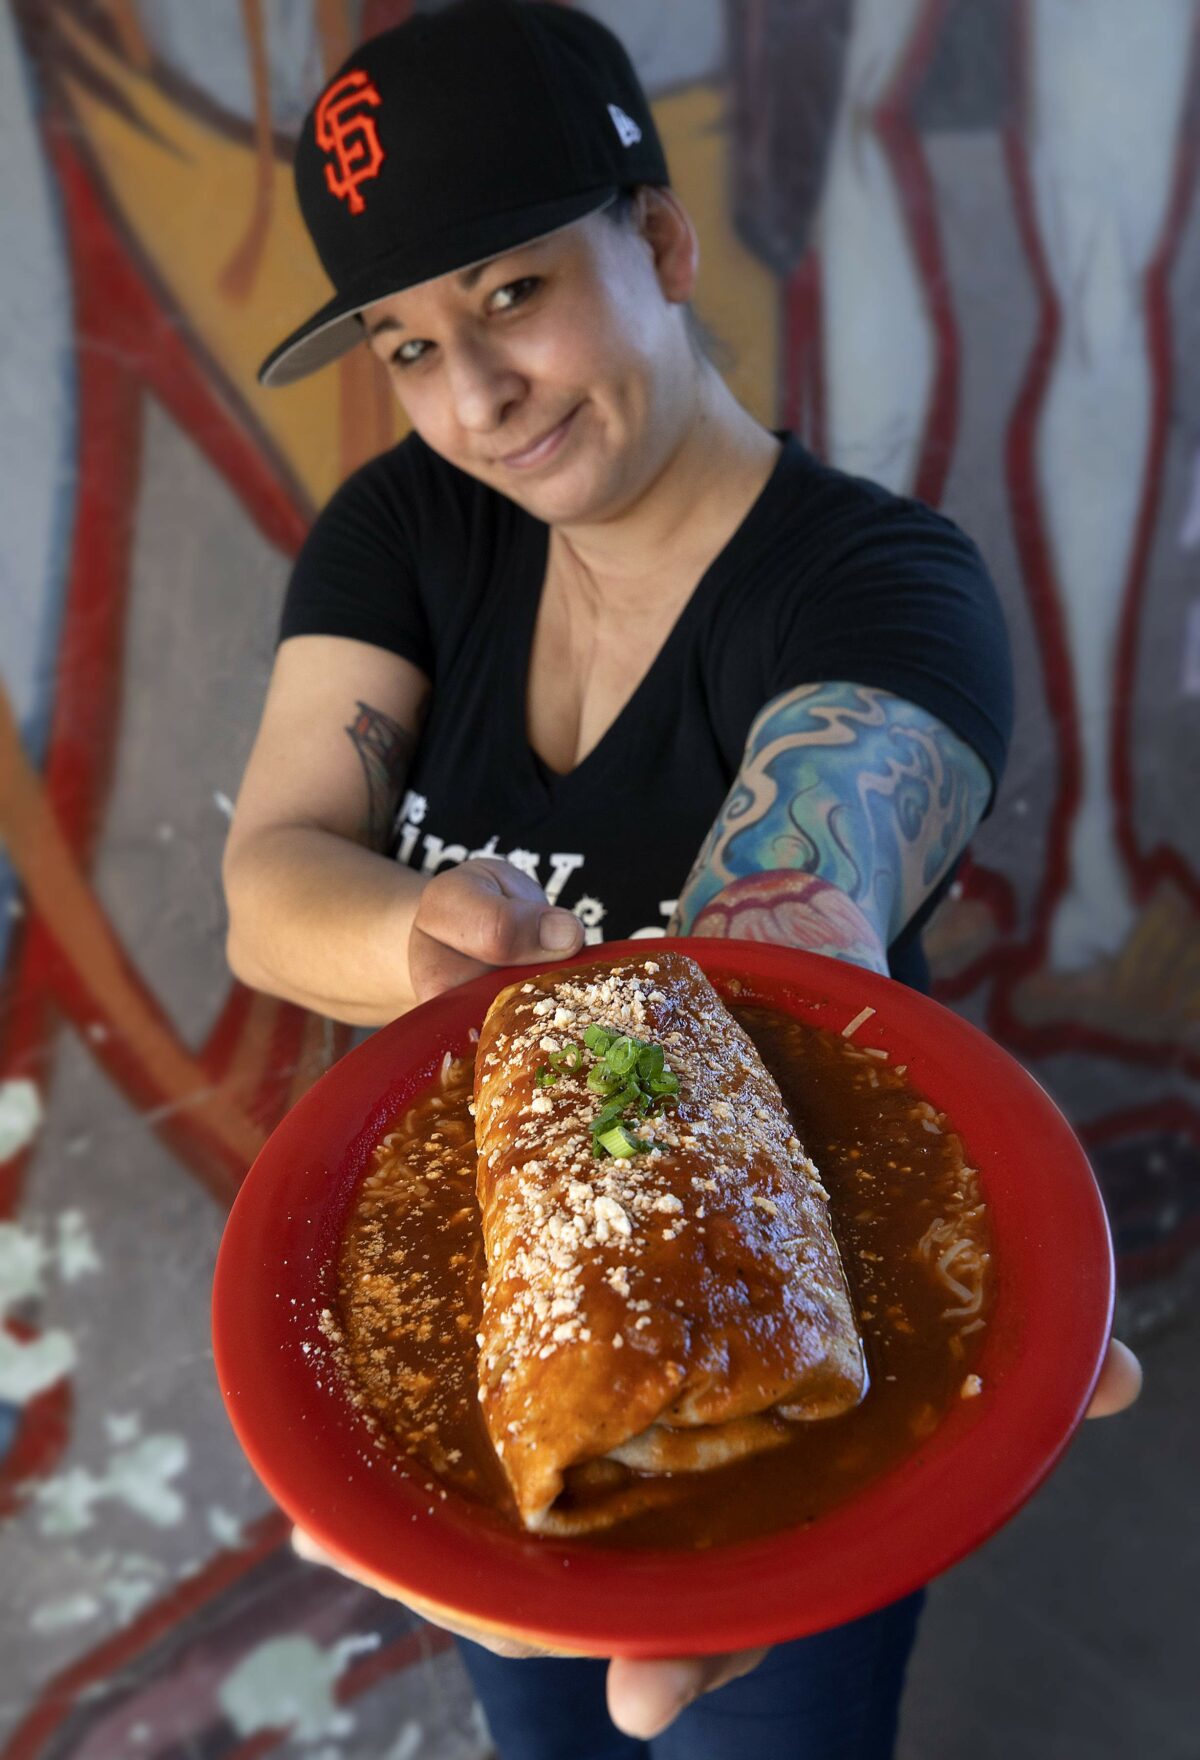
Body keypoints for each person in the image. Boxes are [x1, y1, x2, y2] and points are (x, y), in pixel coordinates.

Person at [223, 3, 1142, 1754]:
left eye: (513, 293)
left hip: (782, 1349)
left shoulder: (886, 586)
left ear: (656, 241)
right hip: (500, 1327)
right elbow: (269, 884)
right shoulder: (406, 528)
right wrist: (428, 933)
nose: (474, 397)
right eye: (409, 345)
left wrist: (526, 1004)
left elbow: (770, 952)